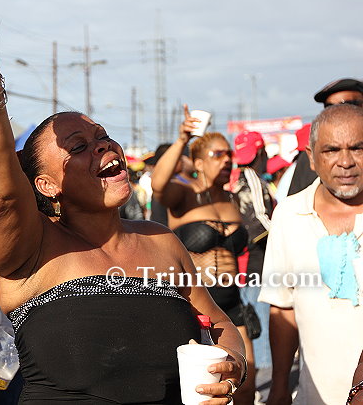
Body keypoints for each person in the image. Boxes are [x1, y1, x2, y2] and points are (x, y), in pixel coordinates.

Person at [0, 0, 247, 403]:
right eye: (77, 147)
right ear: (45, 185)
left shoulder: (161, 241)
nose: (102, 146)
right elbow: (0, 187)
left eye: (102, 136)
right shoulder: (31, 249)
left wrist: (234, 364)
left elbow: (219, 323)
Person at [259, 104, 363, 404]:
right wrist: (280, 385)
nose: (346, 162)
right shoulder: (289, 215)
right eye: (331, 150)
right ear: (312, 159)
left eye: (357, 148)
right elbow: (283, 307)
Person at [151, 111, 256, 404]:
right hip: (196, 304)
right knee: (201, 388)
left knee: (245, 382)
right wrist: (182, 140)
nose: (227, 160)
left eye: (229, 154)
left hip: (232, 301)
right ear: (198, 163)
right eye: (218, 154)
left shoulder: (231, 198)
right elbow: (158, 183)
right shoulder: (184, 195)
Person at [232, 131, 274, 382]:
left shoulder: (233, 179)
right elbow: (260, 220)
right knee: (261, 323)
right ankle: (263, 382)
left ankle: (255, 381)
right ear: (261, 152)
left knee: (249, 324)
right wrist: (283, 239)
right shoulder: (252, 178)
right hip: (255, 261)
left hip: (238, 262)